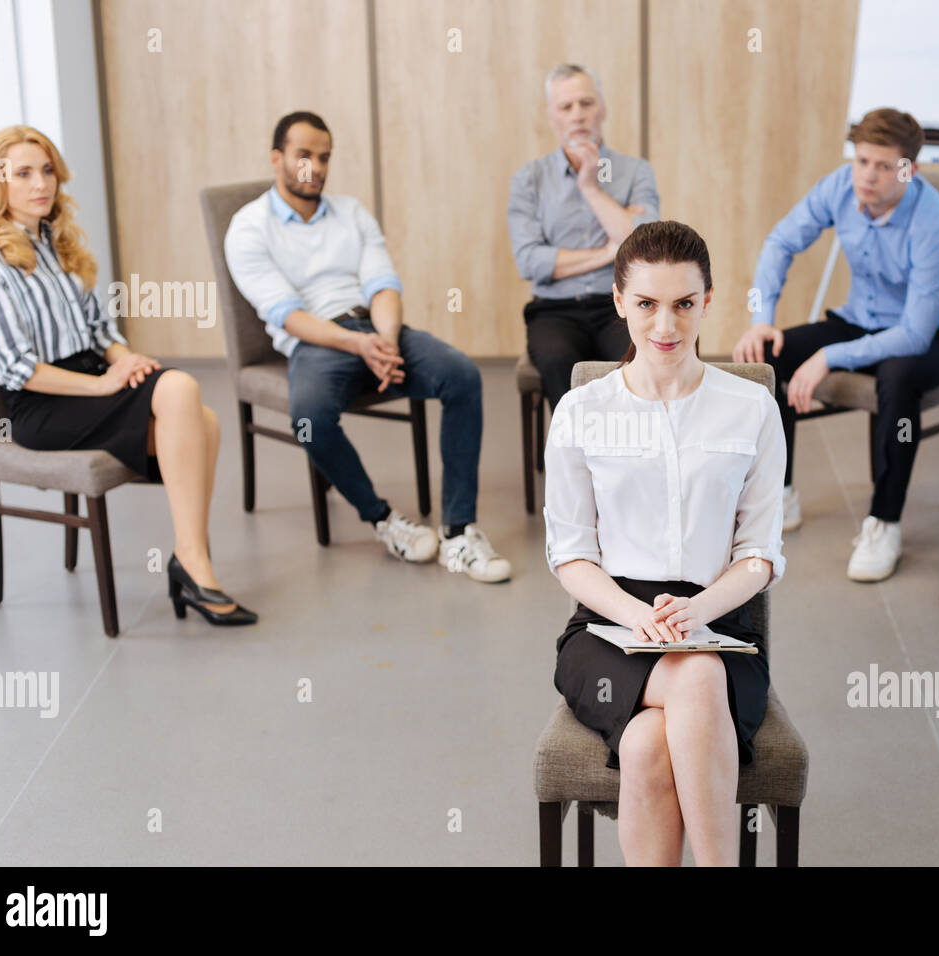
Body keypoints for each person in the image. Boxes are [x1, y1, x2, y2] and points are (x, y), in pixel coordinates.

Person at [544, 220, 785, 866]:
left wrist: (697, 611)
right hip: (607, 628)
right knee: (693, 678)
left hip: (720, 625)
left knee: (655, 737)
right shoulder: (581, 412)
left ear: (708, 301)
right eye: (647, 304)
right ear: (620, 302)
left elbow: (760, 554)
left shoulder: (753, 408)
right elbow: (570, 554)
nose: (666, 326)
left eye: (684, 304)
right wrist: (637, 616)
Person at [0, 126, 255, 625]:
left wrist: (124, 360)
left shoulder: (52, 240)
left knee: (206, 424)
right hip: (43, 403)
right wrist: (101, 384)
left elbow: (98, 329)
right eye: (24, 173)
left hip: (92, 376)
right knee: (181, 388)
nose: (41, 184)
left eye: (47, 170)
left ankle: (189, 560)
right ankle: (195, 567)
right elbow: (14, 367)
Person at [225, 111, 510, 583]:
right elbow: (288, 314)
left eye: (323, 157)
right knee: (309, 420)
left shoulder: (351, 212)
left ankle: (458, 533)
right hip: (315, 342)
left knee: (461, 374)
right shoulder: (248, 227)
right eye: (303, 155)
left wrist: (386, 341)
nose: (314, 167)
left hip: (376, 329)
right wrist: (358, 346)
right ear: (277, 158)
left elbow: (382, 284)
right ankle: (382, 520)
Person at [733, 108, 939, 582]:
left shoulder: (934, 222)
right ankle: (782, 493)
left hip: (926, 339)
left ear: (908, 170)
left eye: (882, 166)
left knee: (897, 379)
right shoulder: (842, 185)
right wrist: (762, 320)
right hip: (858, 321)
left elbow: (916, 334)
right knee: (768, 358)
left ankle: (885, 523)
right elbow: (779, 242)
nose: (867, 176)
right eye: (861, 161)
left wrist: (829, 358)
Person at [508, 63, 660, 411]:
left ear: (602, 109)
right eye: (565, 107)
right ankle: (579, 455)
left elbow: (646, 248)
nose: (577, 115)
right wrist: (611, 251)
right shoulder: (529, 179)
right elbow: (530, 261)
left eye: (586, 103)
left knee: (637, 356)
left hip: (621, 303)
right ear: (552, 117)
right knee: (558, 359)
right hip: (554, 309)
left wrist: (591, 188)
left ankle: (632, 453)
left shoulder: (635, 171)